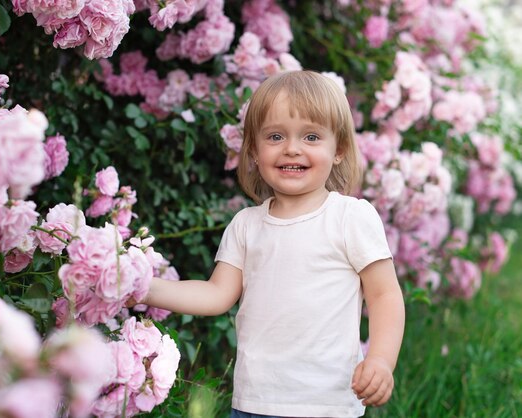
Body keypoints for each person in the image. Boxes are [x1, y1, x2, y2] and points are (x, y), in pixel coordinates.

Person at [130, 70, 405, 418]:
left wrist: (380, 359)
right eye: (275, 136)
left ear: (339, 150)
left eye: (311, 136)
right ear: (254, 152)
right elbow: (216, 295)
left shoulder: (350, 217)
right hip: (254, 401)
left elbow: (384, 295)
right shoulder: (246, 225)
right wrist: (142, 286)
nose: (292, 148)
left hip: (325, 403)